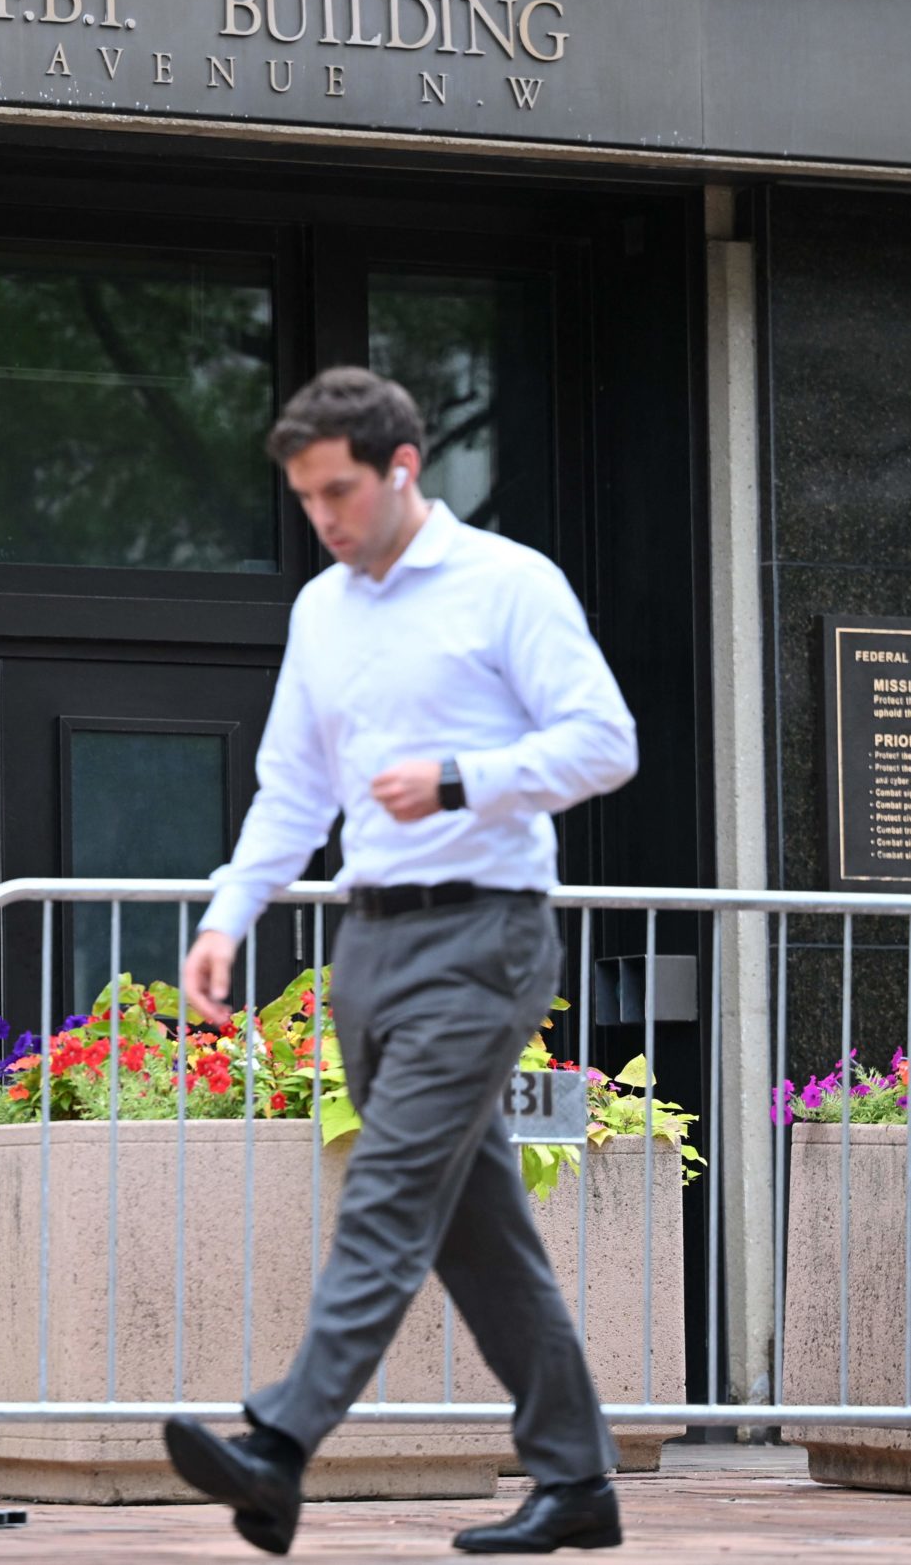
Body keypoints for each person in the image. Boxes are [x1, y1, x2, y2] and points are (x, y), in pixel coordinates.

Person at [163, 367, 638, 1556]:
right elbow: (290, 789)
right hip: (369, 939)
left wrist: (460, 780)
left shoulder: (506, 585)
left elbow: (604, 741)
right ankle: (577, 1483)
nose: (322, 518)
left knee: (382, 1195)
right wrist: (228, 918)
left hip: (486, 931)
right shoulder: (321, 611)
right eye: (305, 497)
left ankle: (277, 1445)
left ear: (402, 469)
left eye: (338, 491)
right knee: (476, 1226)